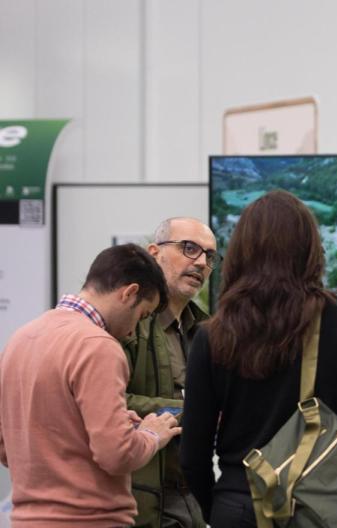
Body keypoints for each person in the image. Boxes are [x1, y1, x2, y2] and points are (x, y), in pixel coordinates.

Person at [180, 190, 337, 528]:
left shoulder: (211, 335)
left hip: (240, 503)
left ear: (241, 251)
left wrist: (222, 509)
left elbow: (193, 454)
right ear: (309, 249)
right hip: (327, 510)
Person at [0, 244, 182, 527]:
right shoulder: (99, 347)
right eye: (142, 315)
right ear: (129, 293)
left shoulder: (19, 340)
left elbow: (7, 445)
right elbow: (117, 455)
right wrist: (149, 434)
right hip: (91, 519)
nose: (134, 330)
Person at [124, 217, 219, 527]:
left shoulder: (205, 330)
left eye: (209, 256)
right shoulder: (128, 323)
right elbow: (107, 403)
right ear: (155, 253)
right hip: (139, 500)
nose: (201, 263)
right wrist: (191, 412)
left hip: (191, 497)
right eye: (189, 248)